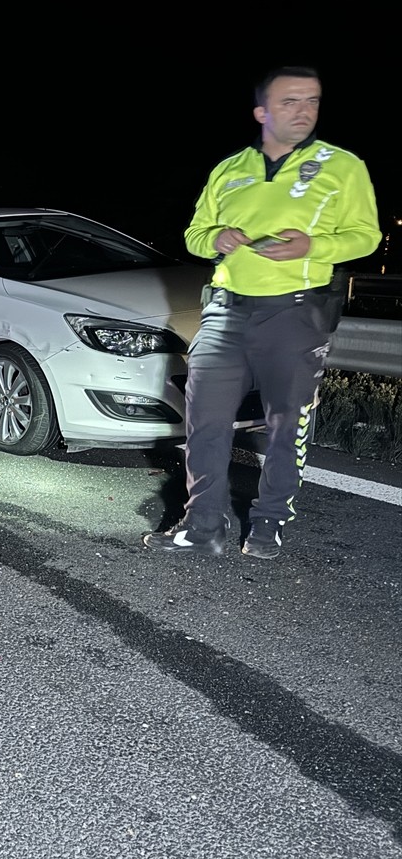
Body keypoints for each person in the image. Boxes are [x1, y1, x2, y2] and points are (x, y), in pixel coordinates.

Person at [143, 65, 381, 560]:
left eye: (312, 101)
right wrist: (217, 238)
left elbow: (366, 235)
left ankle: (269, 521)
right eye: (290, 102)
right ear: (262, 112)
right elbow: (194, 234)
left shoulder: (343, 167)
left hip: (295, 314)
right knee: (205, 421)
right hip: (225, 313)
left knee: (284, 423)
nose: (304, 111)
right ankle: (203, 525)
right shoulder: (229, 170)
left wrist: (311, 246)